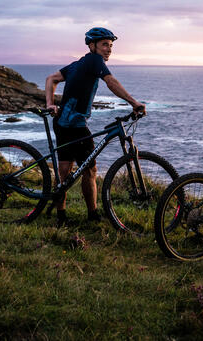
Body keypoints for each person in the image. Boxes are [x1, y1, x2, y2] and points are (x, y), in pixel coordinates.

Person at [45, 27, 146, 226]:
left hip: (63, 123)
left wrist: (50, 103)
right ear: (92, 46)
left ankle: (61, 216)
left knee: (64, 171)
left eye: (110, 45)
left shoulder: (78, 64)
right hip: (74, 125)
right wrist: (134, 103)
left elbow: (51, 79)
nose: (108, 49)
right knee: (89, 170)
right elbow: (111, 81)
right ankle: (92, 215)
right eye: (104, 45)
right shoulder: (94, 60)